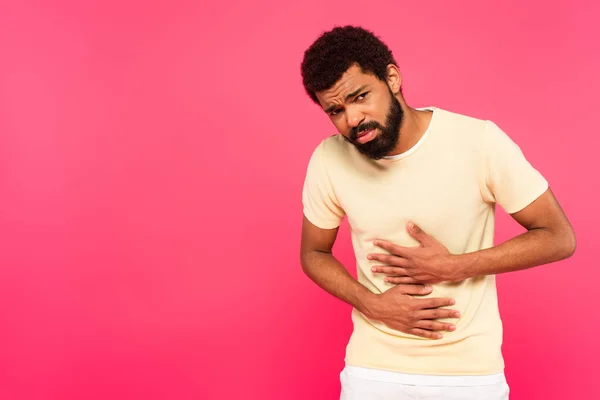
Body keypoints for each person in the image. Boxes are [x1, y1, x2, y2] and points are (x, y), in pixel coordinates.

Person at [299, 26, 576, 400]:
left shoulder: (478, 142)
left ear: (392, 78)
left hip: (469, 375)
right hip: (373, 371)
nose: (352, 119)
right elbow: (313, 253)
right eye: (336, 110)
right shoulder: (329, 158)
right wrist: (372, 305)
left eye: (360, 96)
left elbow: (558, 237)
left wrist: (453, 267)